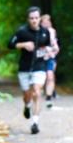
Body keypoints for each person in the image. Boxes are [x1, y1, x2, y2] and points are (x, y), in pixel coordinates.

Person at [7, 7, 53, 135]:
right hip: (25, 68)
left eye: (36, 18)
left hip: (40, 67)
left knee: (37, 92)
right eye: (31, 18)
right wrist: (23, 45)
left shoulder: (45, 32)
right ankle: (27, 106)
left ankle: (35, 123)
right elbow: (10, 44)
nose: (34, 20)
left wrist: (48, 50)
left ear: (39, 18)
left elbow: (47, 45)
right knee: (27, 95)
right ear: (28, 19)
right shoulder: (22, 31)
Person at [40, 13, 60, 107]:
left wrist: (54, 49)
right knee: (42, 77)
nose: (47, 23)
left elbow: (55, 44)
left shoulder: (52, 31)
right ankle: (43, 92)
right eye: (45, 21)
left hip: (50, 56)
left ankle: (49, 96)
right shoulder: (38, 32)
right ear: (41, 22)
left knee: (50, 75)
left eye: (48, 21)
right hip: (40, 57)